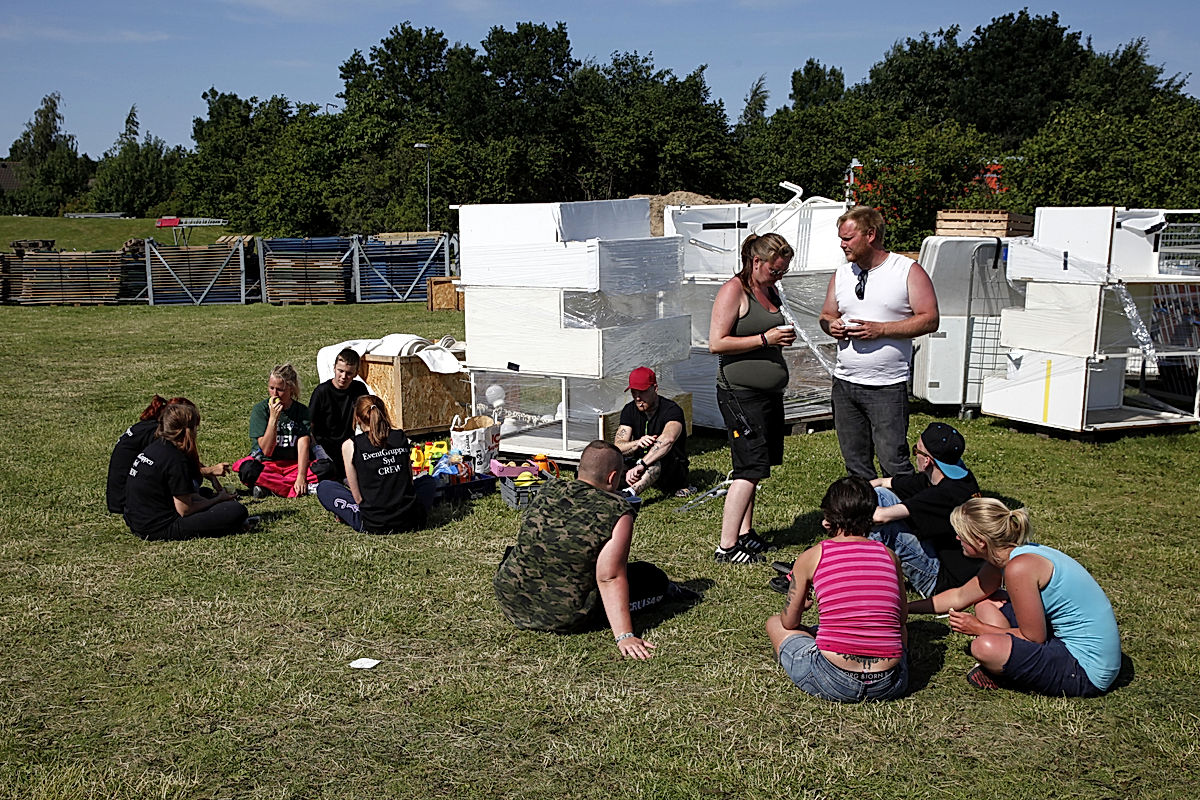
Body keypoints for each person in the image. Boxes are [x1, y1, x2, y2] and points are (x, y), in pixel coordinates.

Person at [494, 440, 694, 659]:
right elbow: (610, 577)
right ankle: (666, 590)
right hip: (563, 614)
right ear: (612, 478)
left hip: (511, 599)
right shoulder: (617, 511)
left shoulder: (549, 488)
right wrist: (624, 635)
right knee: (650, 577)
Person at [911, 498, 1122, 696]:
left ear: (980, 541)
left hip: (1087, 670)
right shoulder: (1010, 556)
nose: (957, 538)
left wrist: (977, 629)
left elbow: (1034, 638)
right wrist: (903, 609)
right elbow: (959, 596)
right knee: (986, 601)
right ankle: (1009, 664)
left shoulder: (1018, 568)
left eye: (961, 534)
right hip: (1064, 641)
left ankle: (1007, 671)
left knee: (983, 647)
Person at [818, 206, 939, 479]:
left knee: (893, 460)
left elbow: (930, 319)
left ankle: (906, 517)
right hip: (845, 383)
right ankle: (868, 518)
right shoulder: (842, 274)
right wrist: (831, 325)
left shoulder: (906, 270)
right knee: (855, 463)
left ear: (870, 234)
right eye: (841, 238)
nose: (842, 244)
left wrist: (881, 329)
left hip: (886, 385)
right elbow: (826, 315)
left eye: (847, 238)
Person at [766, 476, 909, 702]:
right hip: (889, 682)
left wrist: (801, 606)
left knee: (775, 623)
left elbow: (789, 623)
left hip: (833, 677)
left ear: (828, 518)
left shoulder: (811, 556)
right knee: (899, 630)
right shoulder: (889, 556)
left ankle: (793, 660)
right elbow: (901, 617)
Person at [708, 232, 797, 563]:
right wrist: (765, 338)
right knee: (748, 468)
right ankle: (727, 546)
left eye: (783, 271)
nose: (779, 277)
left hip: (767, 393)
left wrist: (776, 340)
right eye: (775, 271)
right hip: (739, 394)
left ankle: (745, 534)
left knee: (757, 467)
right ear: (756, 262)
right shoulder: (735, 290)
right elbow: (716, 343)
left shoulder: (767, 289)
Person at [869, 422, 982, 597]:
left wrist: (838, 515)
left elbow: (880, 516)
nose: (915, 456)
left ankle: (857, 577)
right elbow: (884, 483)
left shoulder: (946, 495)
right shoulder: (952, 478)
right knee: (880, 494)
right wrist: (854, 491)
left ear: (927, 460)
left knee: (884, 528)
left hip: (942, 580)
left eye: (917, 450)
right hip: (943, 555)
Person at [122, 402, 251, 541]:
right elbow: (185, 510)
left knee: (205, 493)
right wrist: (218, 500)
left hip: (137, 519)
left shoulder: (156, 447)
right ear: (189, 431)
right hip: (157, 527)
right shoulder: (175, 459)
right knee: (236, 511)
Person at [315, 395, 435, 534]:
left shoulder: (350, 445)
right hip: (411, 520)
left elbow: (358, 498)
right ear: (383, 414)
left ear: (357, 418)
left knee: (325, 487)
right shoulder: (400, 437)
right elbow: (409, 481)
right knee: (428, 481)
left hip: (373, 524)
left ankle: (349, 514)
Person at [106, 395, 229, 514]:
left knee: (197, 488)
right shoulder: (157, 437)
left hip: (123, 496)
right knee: (193, 483)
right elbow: (175, 470)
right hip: (129, 501)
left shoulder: (148, 428)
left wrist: (210, 475)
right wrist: (210, 471)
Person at [234, 363, 317, 498]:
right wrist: (273, 419)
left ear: (291, 389)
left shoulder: (301, 411)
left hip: (293, 464)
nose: (274, 394)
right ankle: (297, 488)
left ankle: (269, 488)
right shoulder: (261, 410)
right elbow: (266, 450)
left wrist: (301, 476)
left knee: (325, 468)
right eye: (271, 388)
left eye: (280, 389)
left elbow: (303, 444)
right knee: (247, 470)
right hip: (268, 464)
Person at [613, 366, 692, 497]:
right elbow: (618, 445)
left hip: (670, 468)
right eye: (634, 392)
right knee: (613, 459)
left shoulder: (672, 410)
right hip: (638, 464)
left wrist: (642, 464)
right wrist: (637, 443)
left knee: (660, 456)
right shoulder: (629, 409)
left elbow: (668, 439)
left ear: (655, 388)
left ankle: (630, 493)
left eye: (642, 392)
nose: (637, 397)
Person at [308, 347, 370, 482]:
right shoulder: (321, 392)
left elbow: (368, 418)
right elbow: (309, 426)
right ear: (334, 368)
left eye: (348, 373)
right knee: (327, 470)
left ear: (356, 373)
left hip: (349, 444)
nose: (343, 377)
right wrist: (317, 450)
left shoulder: (359, 389)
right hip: (325, 446)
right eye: (340, 371)